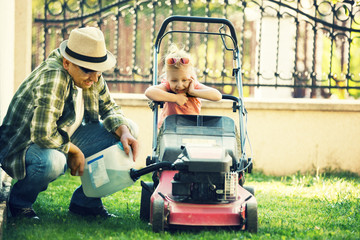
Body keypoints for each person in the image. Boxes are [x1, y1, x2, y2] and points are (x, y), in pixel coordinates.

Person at [0, 27, 139, 220]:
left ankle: (85, 203)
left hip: (63, 134)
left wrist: (124, 131)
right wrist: (74, 151)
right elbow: (42, 134)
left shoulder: (90, 73)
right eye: (88, 70)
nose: (95, 77)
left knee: (128, 129)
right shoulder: (54, 77)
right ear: (67, 63)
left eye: (98, 71)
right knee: (52, 163)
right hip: (24, 144)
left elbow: (109, 107)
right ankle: (20, 203)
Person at [145, 44, 222, 128]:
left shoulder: (193, 85)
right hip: (169, 128)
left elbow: (217, 96)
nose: (180, 85)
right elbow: (149, 92)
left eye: (184, 80)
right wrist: (175, 98)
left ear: (191, 76)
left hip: (189, 129)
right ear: (167, 78)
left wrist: (193, 92)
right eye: (174, 80)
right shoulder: (167, 86)